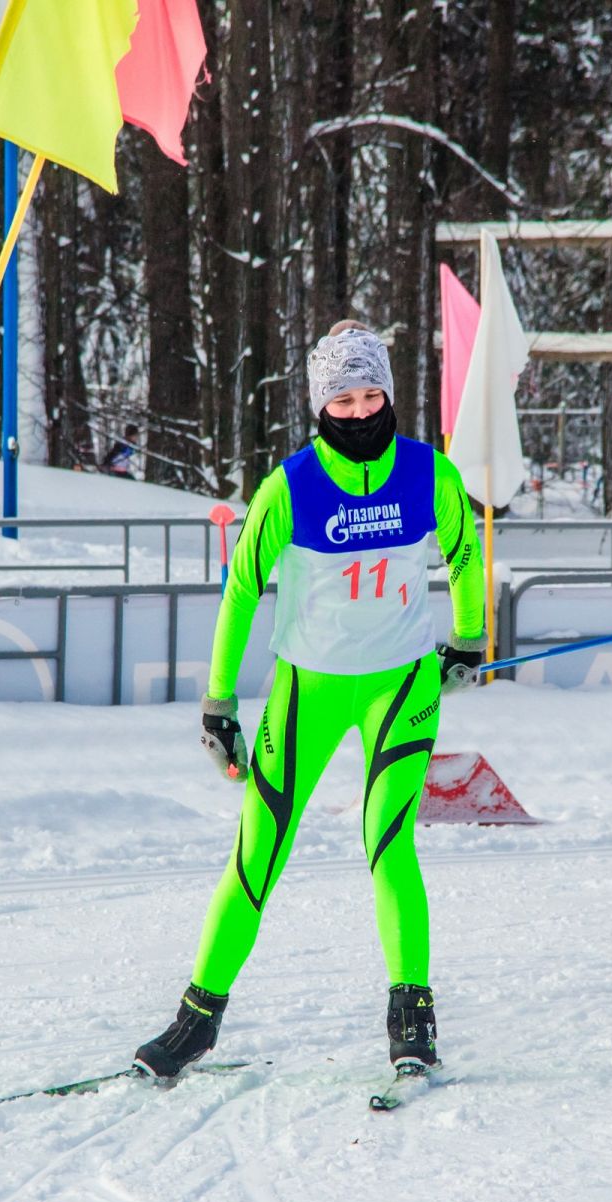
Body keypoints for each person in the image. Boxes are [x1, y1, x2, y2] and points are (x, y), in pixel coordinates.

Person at [131, 320, 487, 1084]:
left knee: (390, 846)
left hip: (400, 686)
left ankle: (412, 1017)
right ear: (320, 405)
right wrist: (218, 703)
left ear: (387, 394)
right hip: (306, 691)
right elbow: (239, 591)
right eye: (344, 398)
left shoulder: (430, 474)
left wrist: (468, 637)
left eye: (370, 395)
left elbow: (464, 551)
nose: (359, 411)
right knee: (257, 855)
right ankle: (197, 1020)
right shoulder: (287, 488)